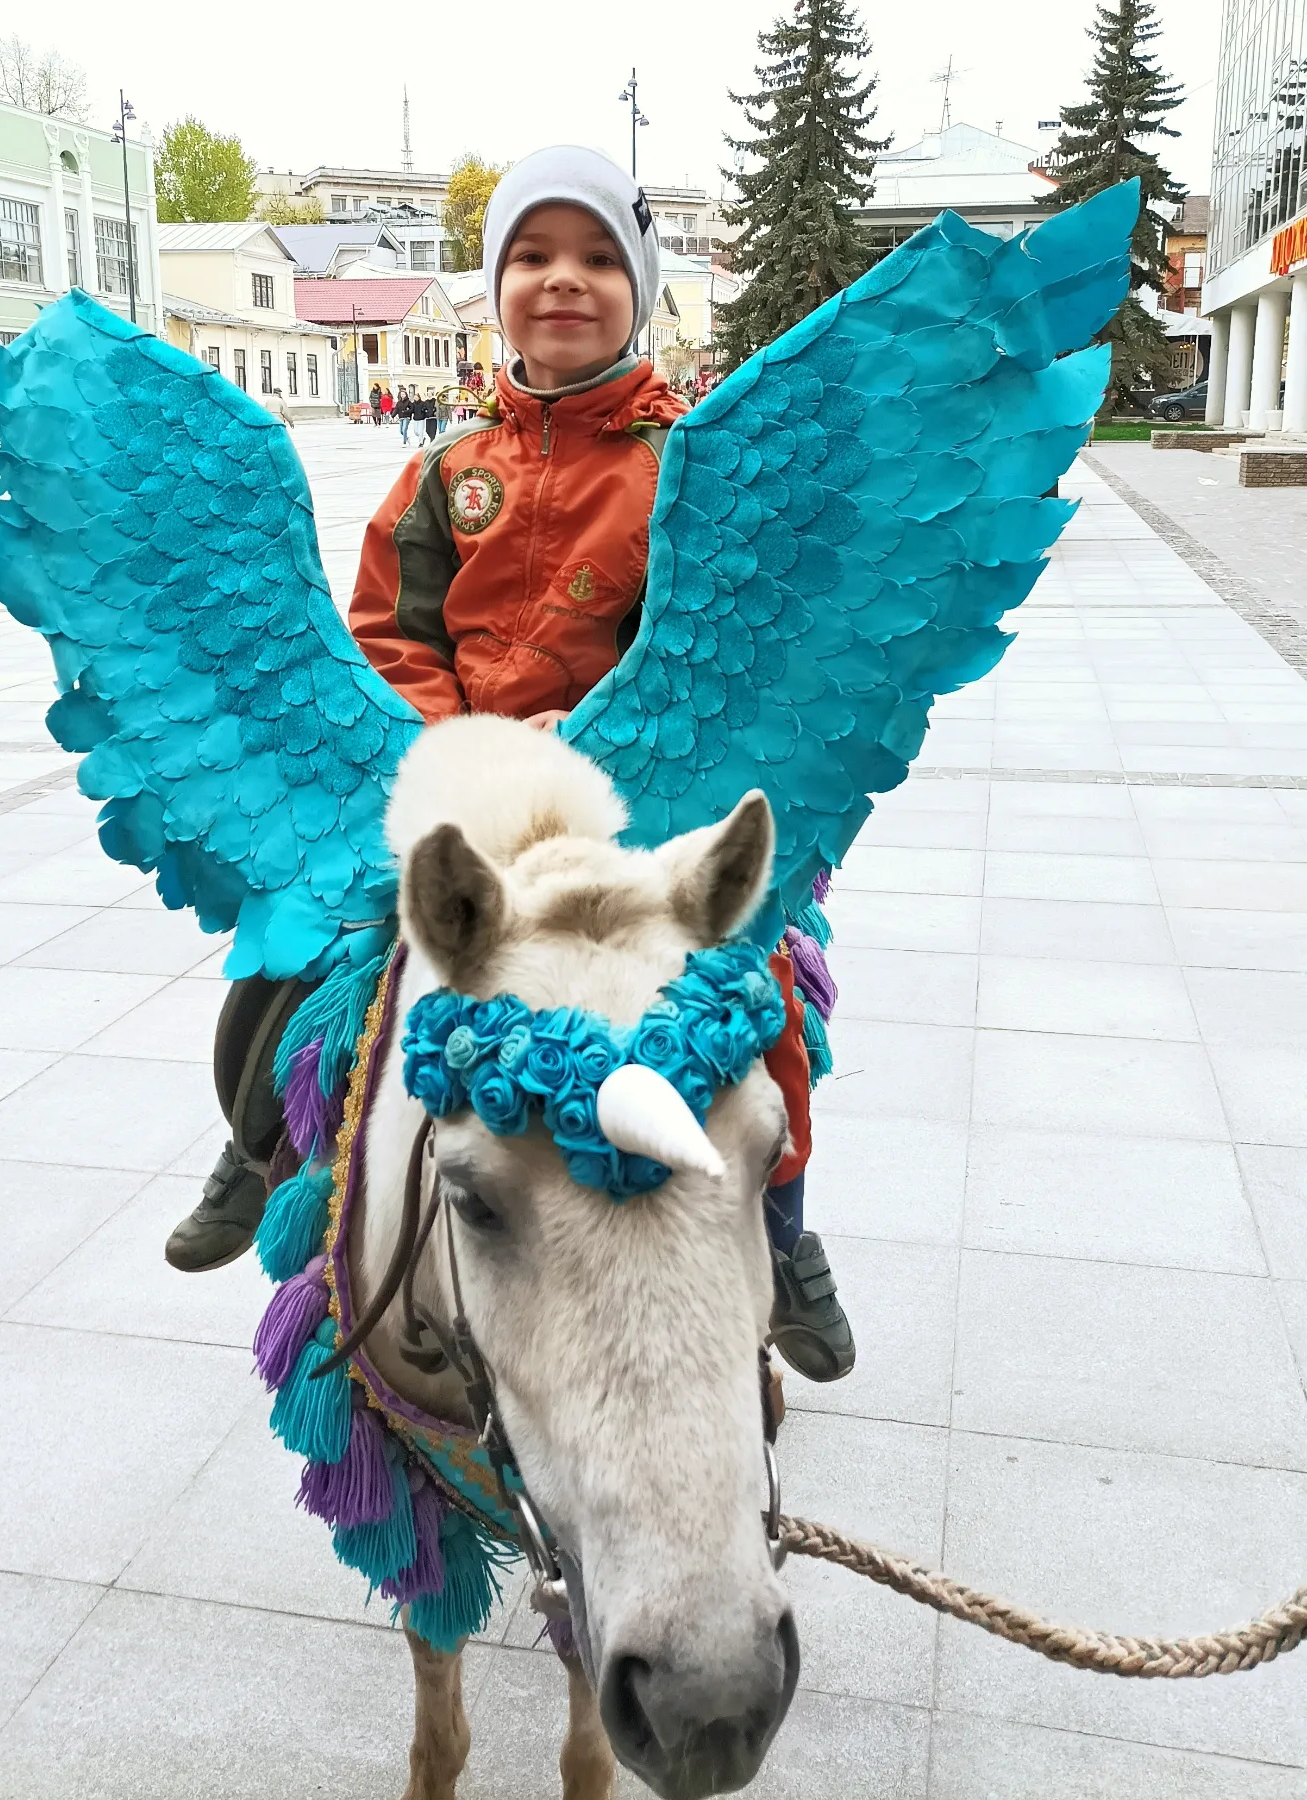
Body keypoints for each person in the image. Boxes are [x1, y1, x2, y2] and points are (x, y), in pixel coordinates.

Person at [165, 147, 856, 1386]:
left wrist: (591, 737)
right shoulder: (444, 473)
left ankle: (784, 1234)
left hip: (649, 811)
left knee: (760, 1014)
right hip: (466, 802)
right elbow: (391, 634)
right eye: (531, 256)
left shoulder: (688, 468)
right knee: (295, 963)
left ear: (639, 288)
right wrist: (457, 749)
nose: (563, 280)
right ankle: (262, 1143)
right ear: (495, 289)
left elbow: (718, 642)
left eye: (597, 257)